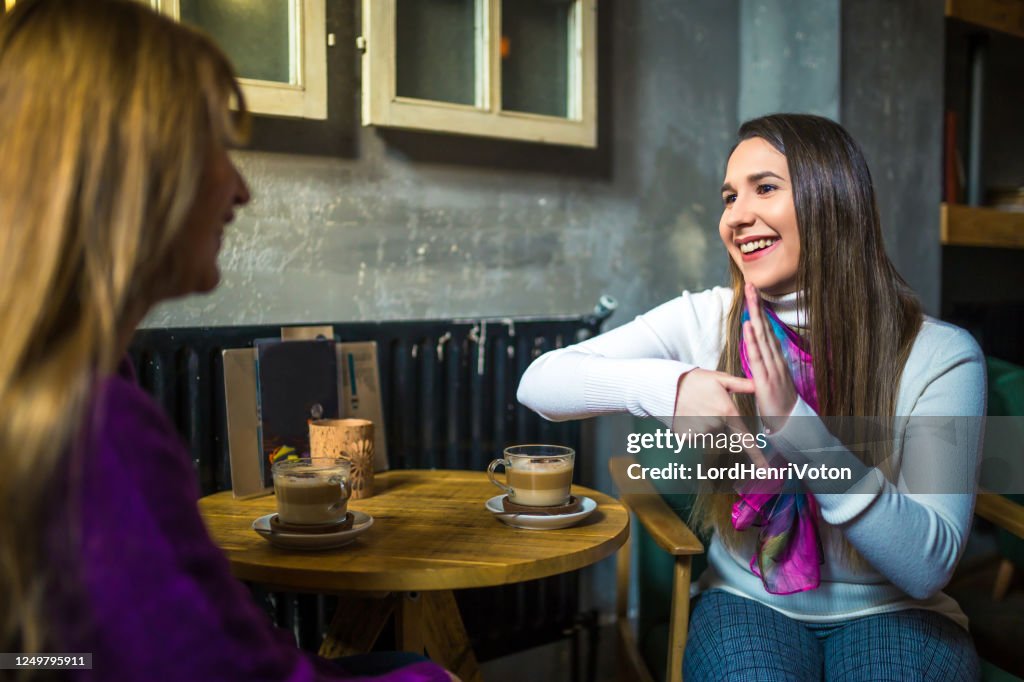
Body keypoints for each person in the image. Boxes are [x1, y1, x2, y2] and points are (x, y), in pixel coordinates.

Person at [0, 1, 455, 680]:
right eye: (215, 147)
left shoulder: (73, 387)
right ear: (128, 169)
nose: (241, 190)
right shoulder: (97, 427)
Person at [517, 113, 985, 681]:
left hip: (898, 610)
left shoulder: (940, 355)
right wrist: (670, 385)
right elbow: (539, 381)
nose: (737, 216)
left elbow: (927, 564)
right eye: (729, 196)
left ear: (833, 200)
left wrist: (799, 428)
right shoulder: (709, 318)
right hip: (747, 603)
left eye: (765, 188)